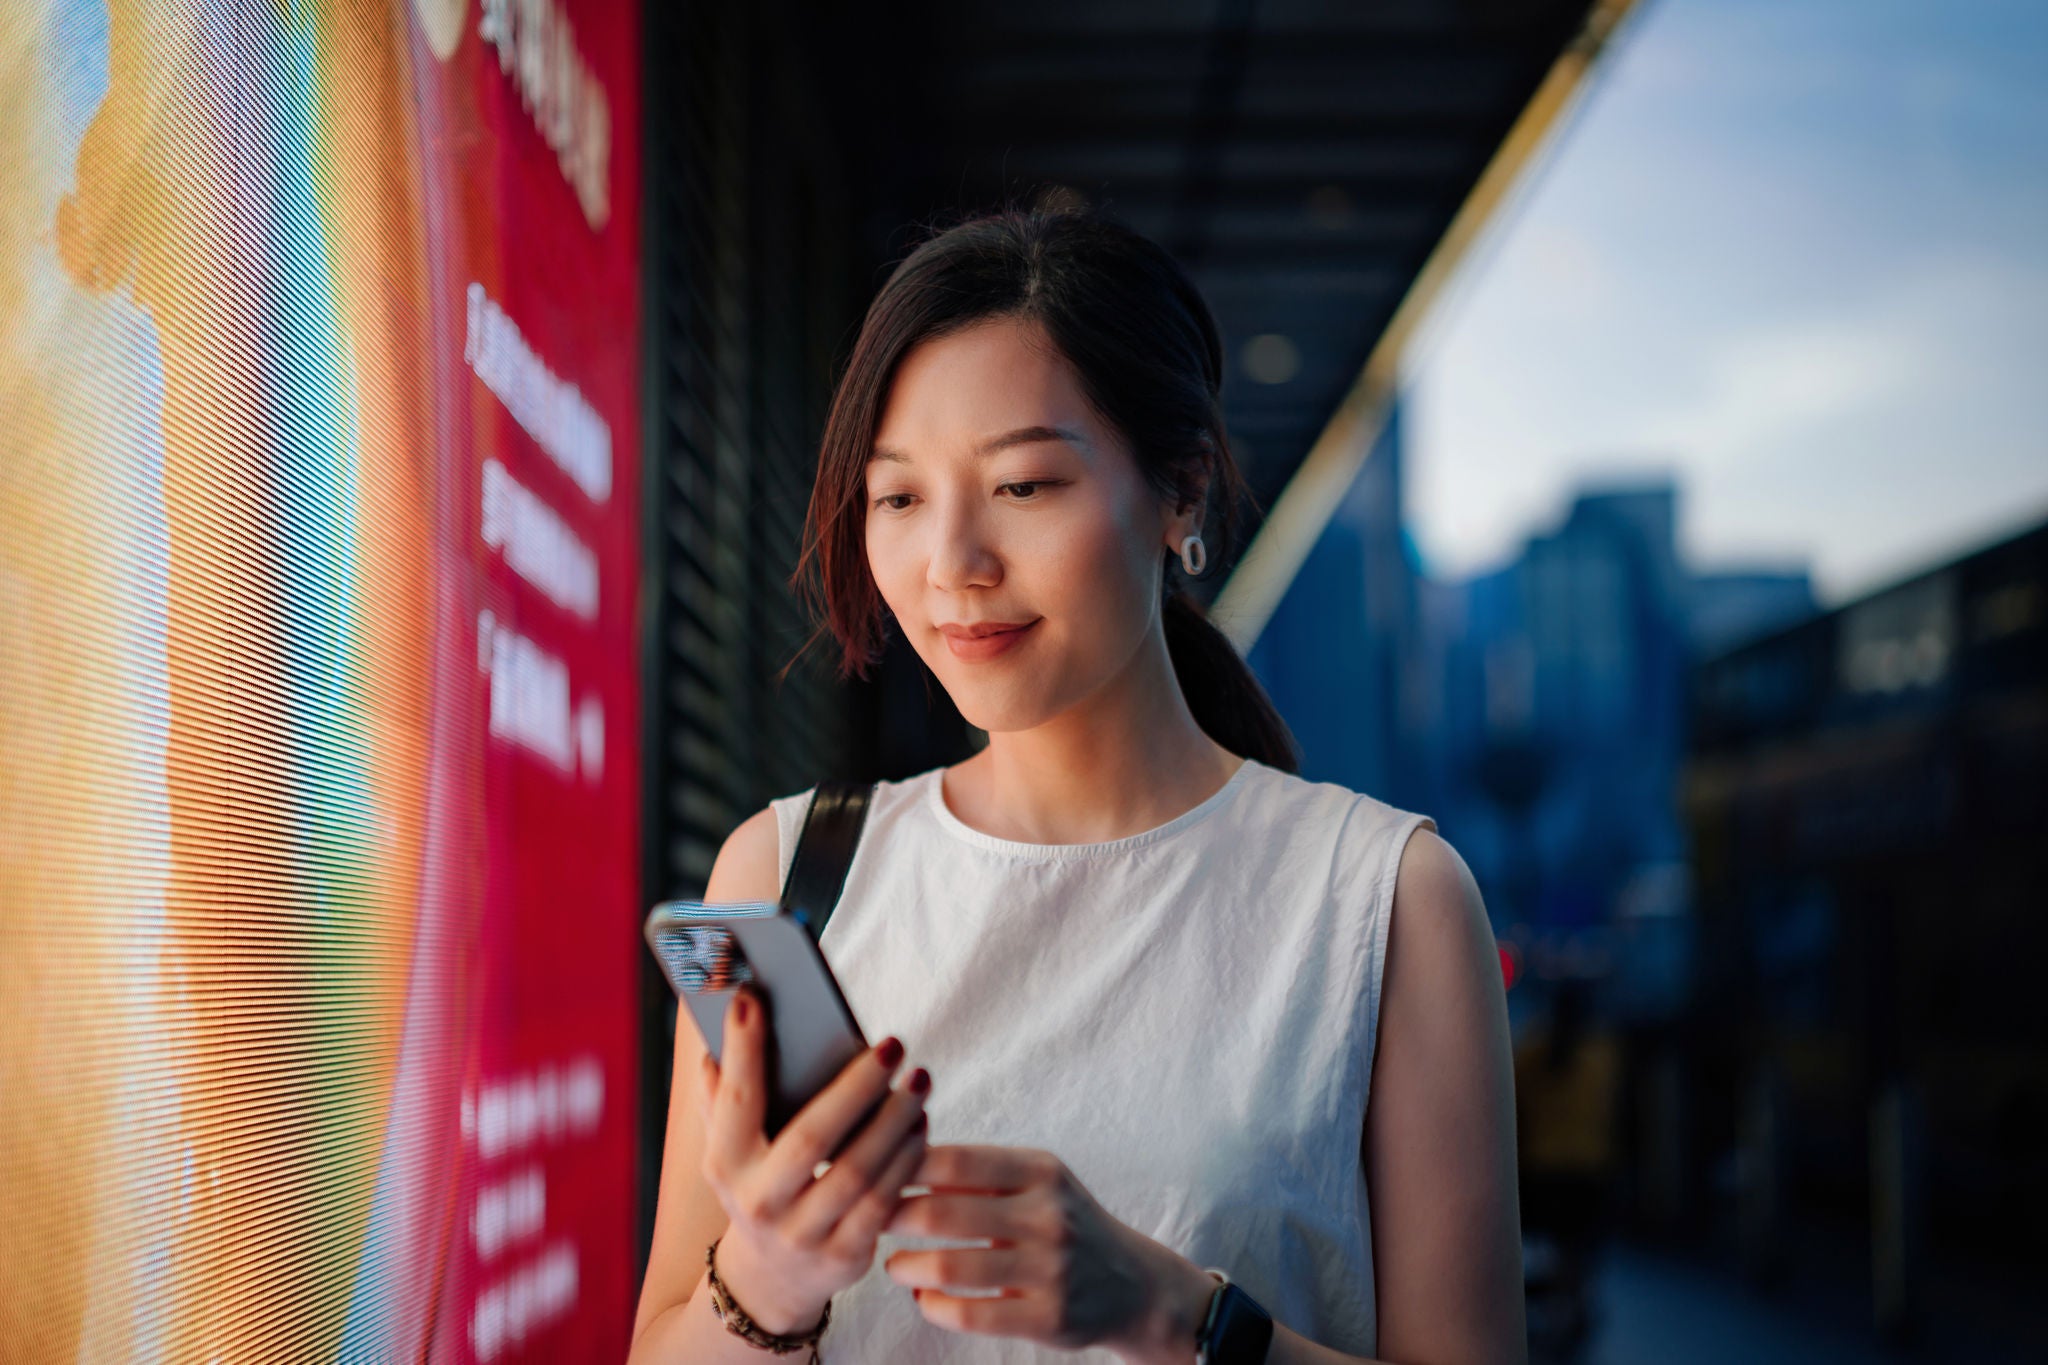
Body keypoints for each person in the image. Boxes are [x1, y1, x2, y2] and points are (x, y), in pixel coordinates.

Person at [628, 206, 1523, 1364]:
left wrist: (1169, 1313)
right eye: (897, 498)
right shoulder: (789, 871)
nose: (951, 564)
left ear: (1180, 491)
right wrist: (771, 1276)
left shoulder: (1382, 901)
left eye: (1025, 486)